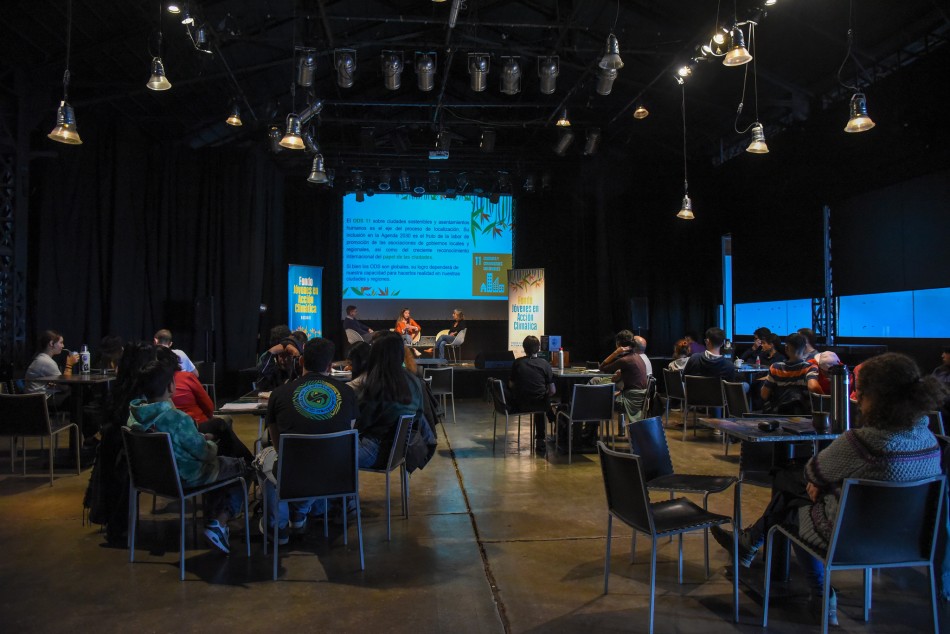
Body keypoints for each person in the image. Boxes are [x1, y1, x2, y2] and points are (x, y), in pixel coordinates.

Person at [711, 352, 944, 624]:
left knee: (790, 492)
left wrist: (821, 484)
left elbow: (813, 471)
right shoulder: (930, 440)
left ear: (875, 397)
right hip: (909, 542)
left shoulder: (861, 442)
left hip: (847, 539)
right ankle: (751, 544)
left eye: (861, 392)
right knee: (798, 490)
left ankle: (817, 589)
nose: (857, 397)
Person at [127, 359, 250, 555]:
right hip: (186, 477)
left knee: (224, 463)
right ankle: (219, 521)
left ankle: (213, 518)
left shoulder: (135, 416)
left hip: (152, 479)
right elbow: (205, 454)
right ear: (170, 386)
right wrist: (210, 442)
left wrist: (199, 438)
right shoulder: (176, 419)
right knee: (244, 466)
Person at [260, 337, 359, 543]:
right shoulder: (348, 393)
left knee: (264, 457)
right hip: (337, 476)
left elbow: (279, 446)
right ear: (329, 366)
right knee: (318, 457)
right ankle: (299, 515)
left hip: (293, 475)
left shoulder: (278, 394)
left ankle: (277, 527)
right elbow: (346, 435)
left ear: (301, 361)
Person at [167, 348, 252, 462]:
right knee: (221, 424)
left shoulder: (147, 413)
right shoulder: (182, 378)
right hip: (194, 428)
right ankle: (243, 463)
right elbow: (208, 407)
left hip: (178, 450)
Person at [356, 331, 426, 469]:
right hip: (399, 452)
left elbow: (361, 422)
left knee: (328, 455)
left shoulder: (378, 383)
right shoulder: (414, 380)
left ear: (376, 354)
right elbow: (419, 414)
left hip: (373, 452)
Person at [508, 335, 556, 454]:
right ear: (538, 348)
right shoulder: (545, 364)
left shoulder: (517, 363)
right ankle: (542, 438)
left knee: (539, 402)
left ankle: (551, 418)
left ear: (524, 348)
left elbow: (511, 385)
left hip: (520, 405)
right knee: (542, 402)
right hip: (539, 405)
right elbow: (552, 391)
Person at [760, 332, 821, 415]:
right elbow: (813, 387)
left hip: (779, 415)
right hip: (803, 415)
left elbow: (764, 395)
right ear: (804, 348)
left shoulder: (775, 367)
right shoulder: (810, 367)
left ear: (786, 348)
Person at [24, 330, 79, 407]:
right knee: (77, 396)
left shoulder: (41, 358)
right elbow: (64, 387)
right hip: (38, 401)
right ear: (51, 343)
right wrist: (69, 365)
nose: (63, 346)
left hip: (34, 398)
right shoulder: (47, 362)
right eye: (61, 343)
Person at [256, 326, 303, 390]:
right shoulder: (274, 372)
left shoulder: (302, 373)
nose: (284, 360)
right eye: (281, 355)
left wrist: (296, 354)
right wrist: (271, 352)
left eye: (288, 355)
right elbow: (261, 383)